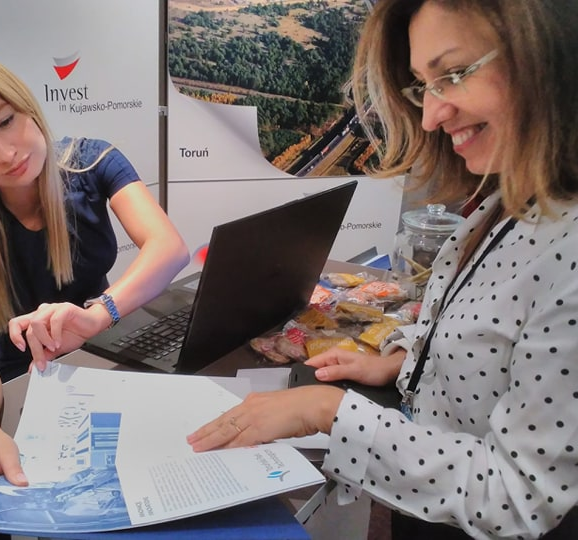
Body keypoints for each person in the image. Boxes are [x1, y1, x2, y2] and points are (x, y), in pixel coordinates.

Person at [188, 1, 578, 538]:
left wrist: (329, 411)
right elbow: (489, 338)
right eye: (424, 86)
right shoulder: (516, 199)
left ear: (549, 54)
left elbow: (519, 498)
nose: (431, 117)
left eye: (453, 74)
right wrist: (404, 362)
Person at [0, 39, 189, 501]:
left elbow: (168, 248)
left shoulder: (93, 162)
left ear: (24, 102)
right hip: (26, 385)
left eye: (5, 121)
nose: (5, 153)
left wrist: (97, 315)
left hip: (105, 351)